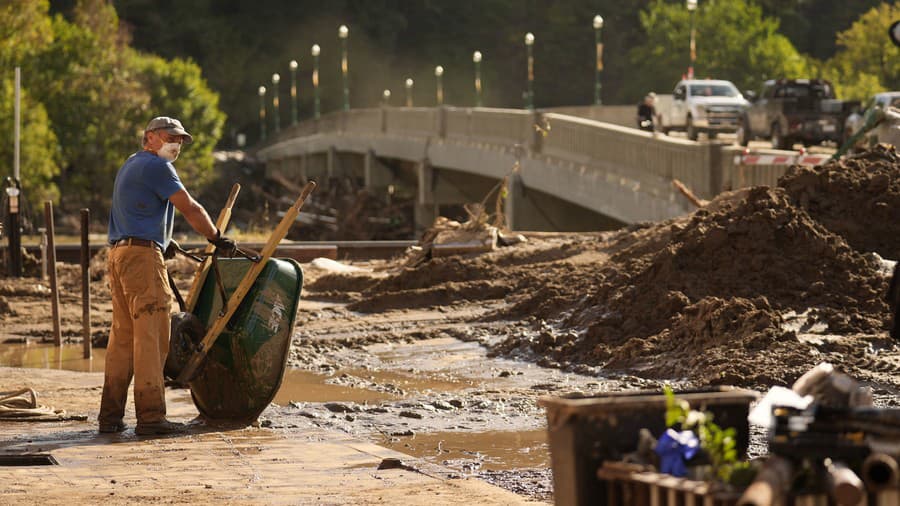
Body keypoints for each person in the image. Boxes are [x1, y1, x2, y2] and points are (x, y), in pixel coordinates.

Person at [99, 116, 236, 435]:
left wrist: (162, 240)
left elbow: (138, 210)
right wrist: (216, 237)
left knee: (123, 339)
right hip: (141, 259)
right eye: (170, 137)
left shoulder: (131, 164)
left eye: (180, 141)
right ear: (149, 137)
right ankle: (150, 417)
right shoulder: (158, 167)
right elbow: (189, 208)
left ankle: (110, 416)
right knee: (152, 334)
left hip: (120, 255)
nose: (176, 144)